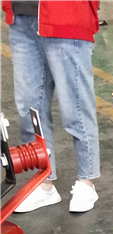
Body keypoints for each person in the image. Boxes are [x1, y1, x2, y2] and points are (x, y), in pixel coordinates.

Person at [3, 0, 101, 213]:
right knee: (29, 107)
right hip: (22, 18)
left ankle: (87, 181)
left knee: (75, 108)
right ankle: (43, 183)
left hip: (65, 15)